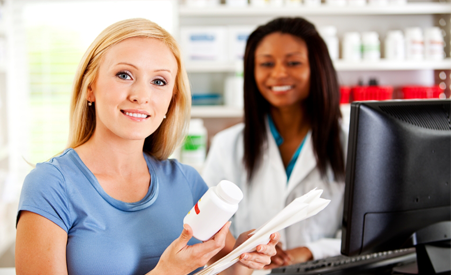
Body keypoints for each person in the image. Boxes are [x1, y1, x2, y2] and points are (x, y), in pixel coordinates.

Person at [15, 18, 279, 275]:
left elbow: (224, 272)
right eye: (124, 75)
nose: (141, 95)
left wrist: (243, 258)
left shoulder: (186, 182)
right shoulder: (52, 185)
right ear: (90, 87)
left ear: (171, 100)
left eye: (159, 82)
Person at [202, 17, 347, 269]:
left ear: (317, 68)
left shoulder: (352, 143)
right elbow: (211, 227)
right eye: (266, 63)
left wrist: (308, 251)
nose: (279, 73)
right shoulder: (228, 145)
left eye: (293, 62)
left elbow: (370, 233)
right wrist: (248, 248)